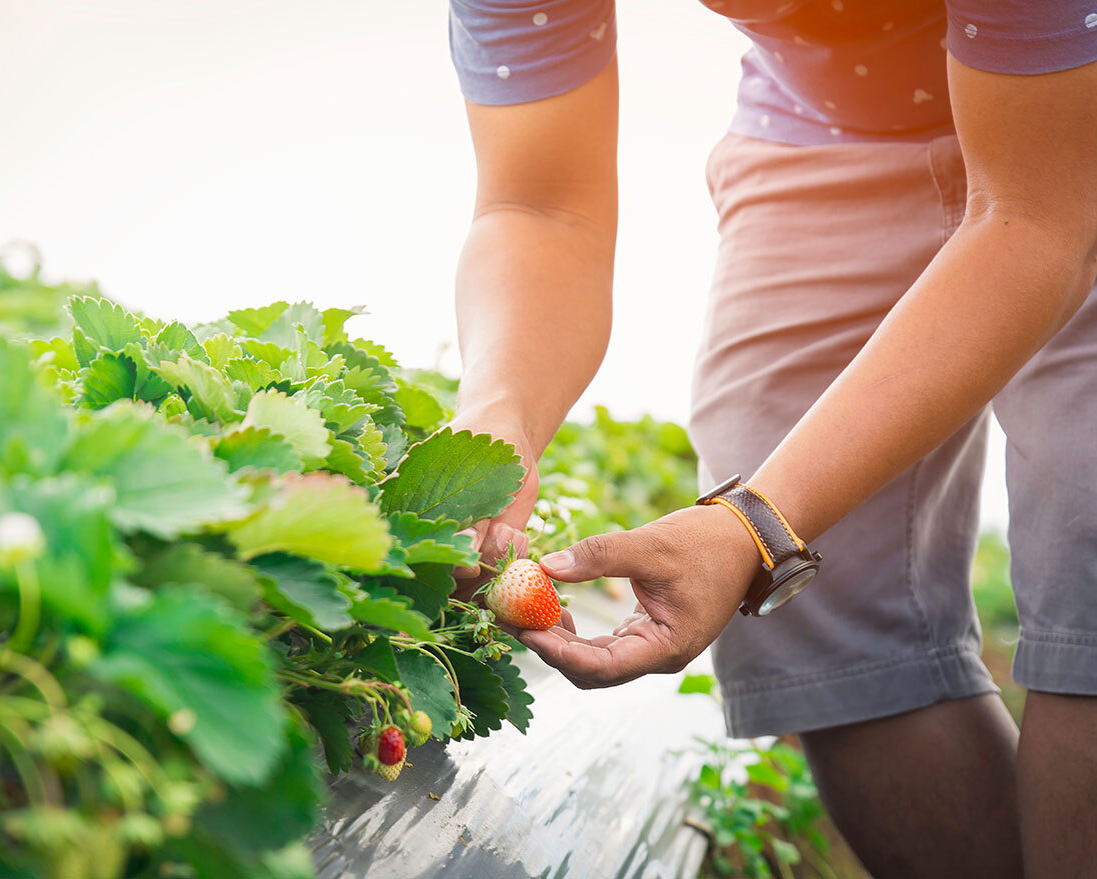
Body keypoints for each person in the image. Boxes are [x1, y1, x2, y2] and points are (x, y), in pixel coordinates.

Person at [443, 2, 1097, 876]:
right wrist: (499, 418)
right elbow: (538, 201)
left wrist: (752, 525)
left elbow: (1039, 215)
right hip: (828, 124)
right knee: (806, 611)